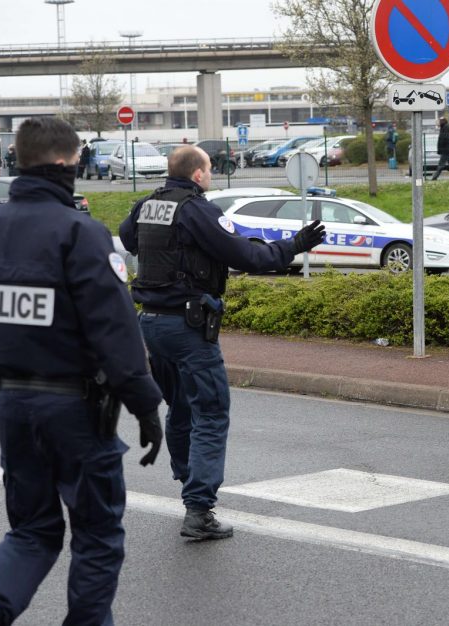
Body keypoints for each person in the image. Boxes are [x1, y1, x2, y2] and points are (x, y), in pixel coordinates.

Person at [0, 117, 164, 626]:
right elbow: (115, 332)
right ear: (69, 165)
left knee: (31, 529)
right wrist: (145, 405)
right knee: (96, 534)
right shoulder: (81, 233)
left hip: (11, 404)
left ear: (19, 162)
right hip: (76, 410)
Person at [119, 145, 325, 540]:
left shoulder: (148, 203)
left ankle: (188, 484)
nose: (210, 174)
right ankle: (199, 511)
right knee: (211, 412)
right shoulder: (196, 209)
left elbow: (131, 240)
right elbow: (247, 257)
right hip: (187, 326)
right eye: (209, 169)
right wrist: (294, 246)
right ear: (198, 174)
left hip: (150, 324)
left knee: (180, 407)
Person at [430, 116, 449, 181]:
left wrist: (441, 147)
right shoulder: (445, 127)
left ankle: (435, 177)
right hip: (447, 149)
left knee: (441, 164)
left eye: (439, 121)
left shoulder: (446, 127)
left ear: (442, 122)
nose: (438, 123)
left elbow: (444, 138)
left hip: (445, 150)